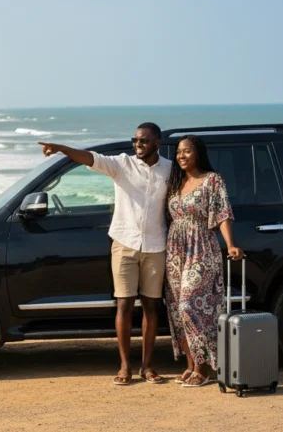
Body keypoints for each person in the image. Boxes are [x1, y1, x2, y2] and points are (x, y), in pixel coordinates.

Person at [38, 122, 171, 386]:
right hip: (124, 242)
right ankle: (125, 366)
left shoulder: (170, 169)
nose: (137, 145)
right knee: (123, 304)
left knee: (152, 307)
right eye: (135, 140)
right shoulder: (122, 164)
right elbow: (91, 158)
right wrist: (63, 149)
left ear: (157, 142)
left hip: (156, 245)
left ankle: (147, 366)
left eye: (143, 141)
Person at [164, 135, 243, 388]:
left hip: (202, 247)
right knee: (178, 311)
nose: (181, 156)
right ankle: (190, 365)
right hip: (175, 250)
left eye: (186, 151)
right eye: (178, 152)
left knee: (191, 305)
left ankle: (204, 367)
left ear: (198, 153)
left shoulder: (212, 180)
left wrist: (230, 244)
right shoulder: (176, 182)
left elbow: (222, 213)